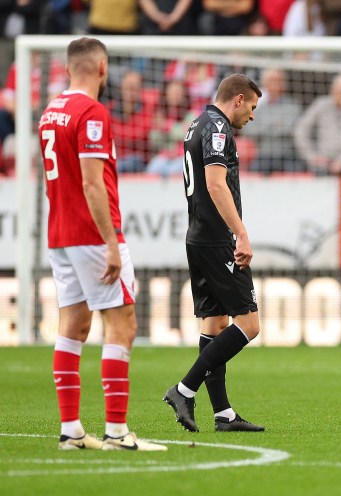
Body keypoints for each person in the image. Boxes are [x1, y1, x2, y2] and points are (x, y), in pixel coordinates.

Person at [38, 37, 165, 451]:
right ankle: (116, 432)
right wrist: (111, 242)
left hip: (59, 231)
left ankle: (71, 430)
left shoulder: (51, 111)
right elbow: (92, 182)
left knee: (73, 324)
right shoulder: (91, 112)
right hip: (91, 233)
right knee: (123, 321)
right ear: (102, 68)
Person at [162, 74, 266, 433]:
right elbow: (215, 183)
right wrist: (240, 233)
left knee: (215, 324)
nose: (252, 116)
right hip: (218, 238)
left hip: (198, 235)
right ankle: (183, 389)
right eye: (251, 107)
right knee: (248, 324)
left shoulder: (196, 124)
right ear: (238, 99)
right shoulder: (219, 128)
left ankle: (223, 414)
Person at [293, 74, 341, 176]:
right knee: (315, 168)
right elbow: (301, 130)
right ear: (333, 91)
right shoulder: (321, 105)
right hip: (323, 159)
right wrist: (312, 156)